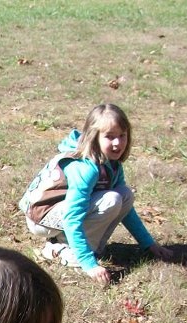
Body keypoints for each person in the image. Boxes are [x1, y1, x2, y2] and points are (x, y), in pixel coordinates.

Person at [18, 103, 172, 288]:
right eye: (110, 137)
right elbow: (72, 217)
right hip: (42, 217)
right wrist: (88, 264)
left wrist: (148, 243)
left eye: (122, 136)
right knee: (111, 199)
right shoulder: (86, 168)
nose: (117, 143)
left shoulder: (112, 164)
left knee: (124, 195)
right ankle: (61, 249)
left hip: (61, 211)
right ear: (94, 137)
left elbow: (126, 209)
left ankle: (83, 248)